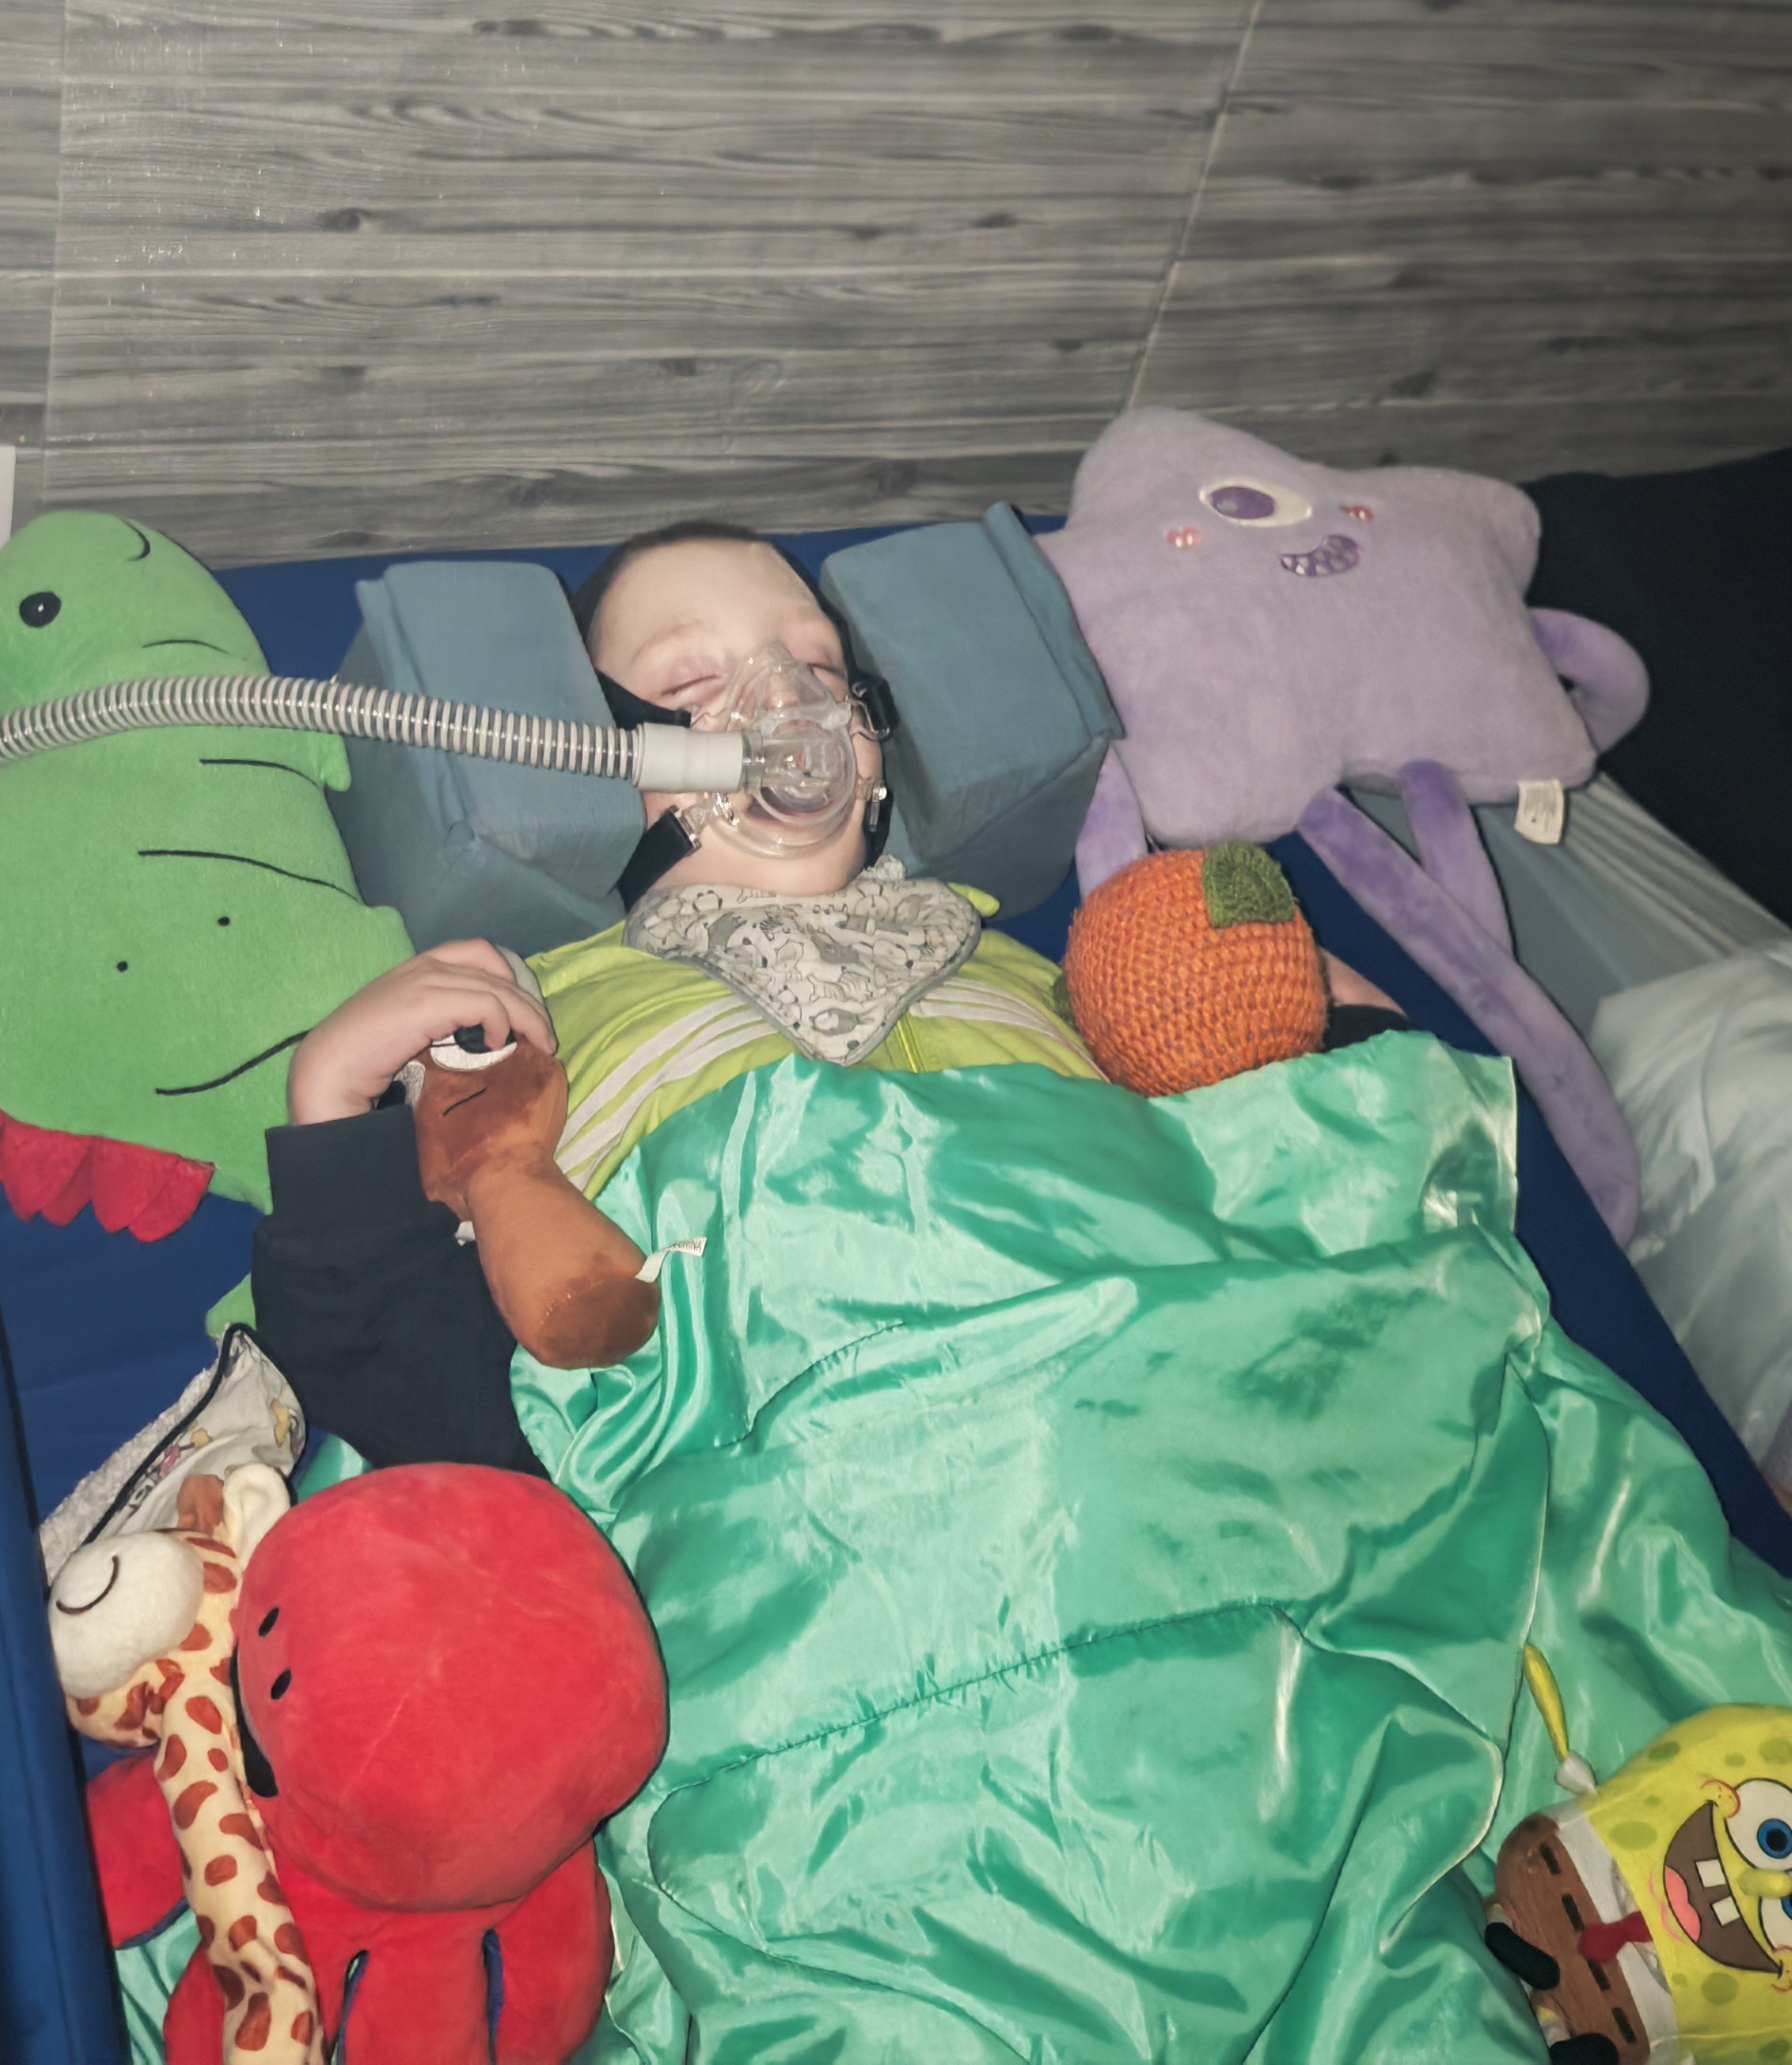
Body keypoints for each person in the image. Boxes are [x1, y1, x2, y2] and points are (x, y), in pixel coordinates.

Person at [246, 523, 1405, 1469]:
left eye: (824, 671)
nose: (785, 703)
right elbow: (441, 1419)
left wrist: (1348, 1056)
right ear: (598, 754)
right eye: (693, 681)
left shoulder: (1051, 983)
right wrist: (333, 1117)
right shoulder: (518, 1035)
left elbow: (1300, 1251)